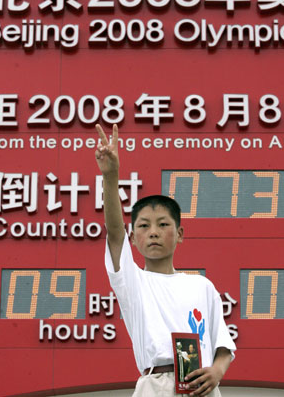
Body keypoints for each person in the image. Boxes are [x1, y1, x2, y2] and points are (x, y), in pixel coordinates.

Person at [95, 124, 236, 397]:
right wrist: (111, 176)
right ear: (133, 239)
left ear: (180, 234)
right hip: (154, 385)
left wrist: (216, 372)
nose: (154, 233)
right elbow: (114, 232)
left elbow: (223, 346)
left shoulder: (202, 286)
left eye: (163, 224)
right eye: (144, 226)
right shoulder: (132, 281)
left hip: (201, 388)